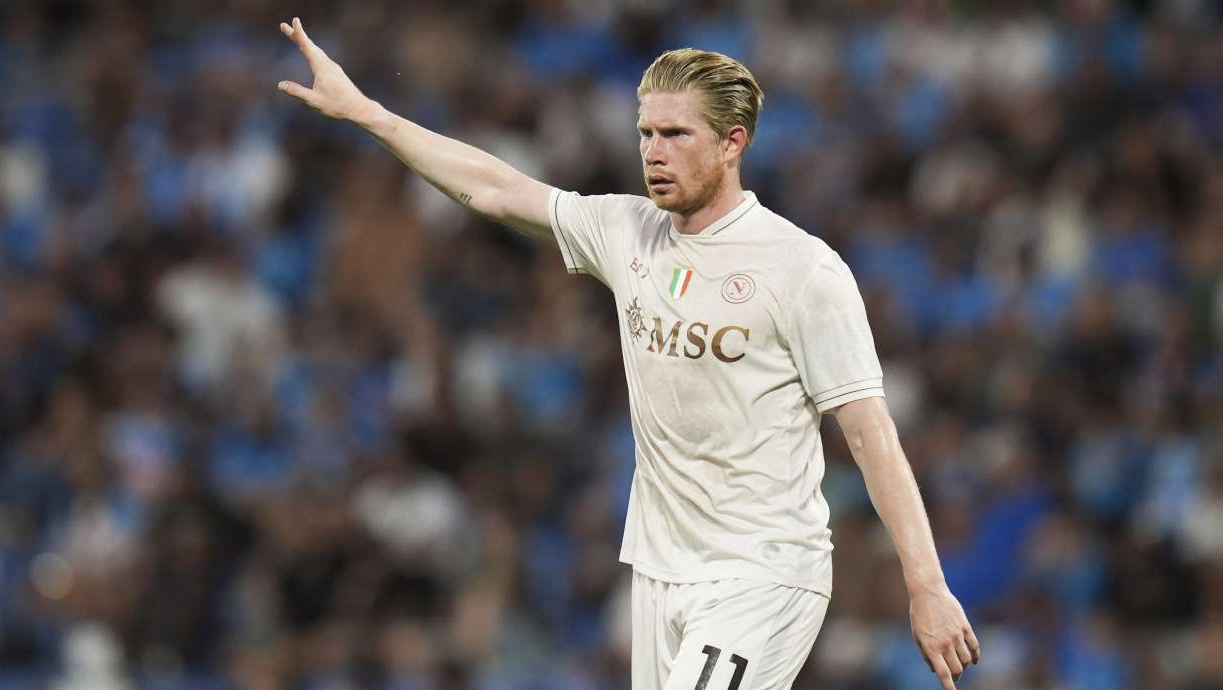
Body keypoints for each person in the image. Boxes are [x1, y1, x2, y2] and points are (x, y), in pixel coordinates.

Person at [276, 17, 980, 690]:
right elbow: (495, 189)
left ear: (733, 142)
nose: (654, 151)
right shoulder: (628, 232)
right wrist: (368, 112)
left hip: (762, 572)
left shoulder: (803, 270)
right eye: (645, 132)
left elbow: (870, 433)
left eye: (675, 134)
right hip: (658, 569)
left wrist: (927, 587)